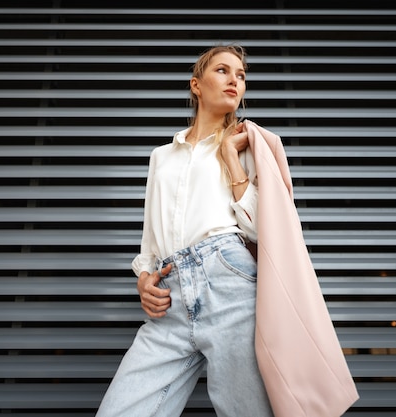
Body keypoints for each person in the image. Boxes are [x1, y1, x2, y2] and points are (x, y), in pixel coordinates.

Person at [95, 44, 273, 417]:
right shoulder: (162, 155)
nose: (235, 81)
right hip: (169, 298)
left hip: (230, 286)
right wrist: (144, 278)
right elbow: (150, 233)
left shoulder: (247, 144)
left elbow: (261, 230)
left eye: (241, 76)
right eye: (223, 71)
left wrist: (230, 158)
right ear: (196, 85)